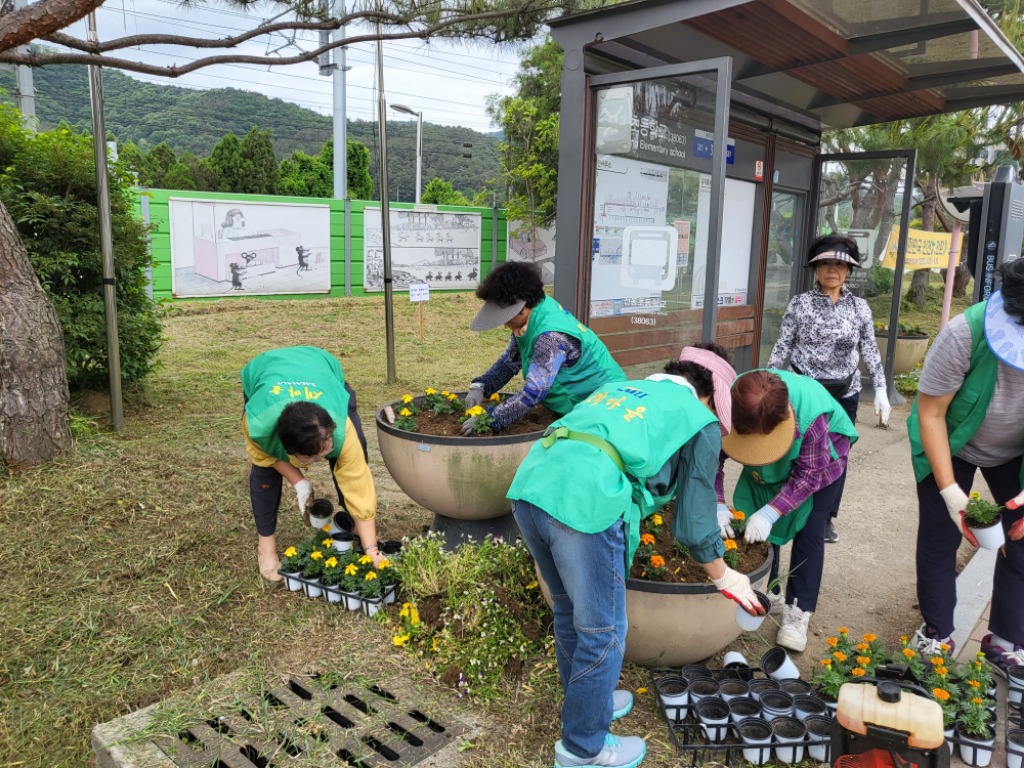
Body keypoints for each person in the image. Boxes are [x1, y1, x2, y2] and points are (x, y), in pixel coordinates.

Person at [507, 344, 763, 768]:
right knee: (603, 632)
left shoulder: (626, 388)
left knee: (571, 613)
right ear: (709, 396)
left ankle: (589, 701)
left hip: (532, 486)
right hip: (586, 505)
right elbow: (694, 522)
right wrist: (724, 576)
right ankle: (582, 748)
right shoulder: (698, 420)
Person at [906, 258, 1024, 670]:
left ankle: (1006, 639)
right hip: (953, 441)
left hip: (1016, 452)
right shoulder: (964, 333)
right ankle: (937, 632)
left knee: (1022, 540)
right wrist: (949, 490)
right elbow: (931, 414)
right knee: (941, 537)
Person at [722, 369, 858, 653]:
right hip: (767, 467)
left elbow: (808, 476)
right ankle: (770, 589)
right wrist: (716, 500)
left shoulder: (812, 418)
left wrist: (772, 513)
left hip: (822, 460)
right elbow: (711, 454)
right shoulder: (735, 398)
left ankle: (799, 610)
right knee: (752, 518)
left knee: (809, 528)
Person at [767, 234, 889, 544]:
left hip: (844, 393)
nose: (831, 270)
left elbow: (870, 348)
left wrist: (881, 389)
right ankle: (788, 507)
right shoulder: (800, 304)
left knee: (838, 456)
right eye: (824, 264)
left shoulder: (859, 308)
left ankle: (825, 517)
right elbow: (784, 343)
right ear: (815, 268)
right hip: (806, 392)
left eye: (838, 264)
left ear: (848, 269)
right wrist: (768, 379)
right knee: (798, 452)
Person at [241, 346, 385, 582]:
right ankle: (265, 546)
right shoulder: (258, 422)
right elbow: (263, 455)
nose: (325, 455)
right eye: (315, 458)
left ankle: (356, 522)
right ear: (291, 451)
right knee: (265, 470)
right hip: (266, 372)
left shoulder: (339, 427)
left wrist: (371, 550)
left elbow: (357, 481)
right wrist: (298, 481)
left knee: (354, 450)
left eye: (328, 445)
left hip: (321, 368)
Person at [462, 261, 624, 435]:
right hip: (577, 404)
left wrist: (491, 419)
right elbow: (510, 361)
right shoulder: (535, 308)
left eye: (508, 318)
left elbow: (534, 391)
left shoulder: (550, 337)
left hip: (604, 407)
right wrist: (482, 386)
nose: (506, 325)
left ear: (523, 309)